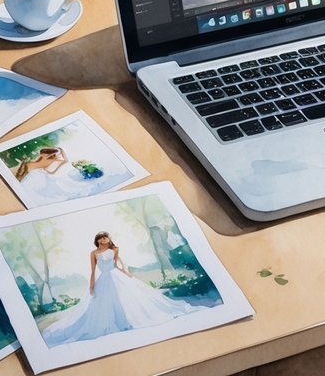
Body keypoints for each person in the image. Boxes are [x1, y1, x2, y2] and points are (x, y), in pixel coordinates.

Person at [40, 231, 199, 345]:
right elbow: (93, 270)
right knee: (104, 302)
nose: (104, 239)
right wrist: (91, 284)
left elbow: (116, 264)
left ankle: (127, 319)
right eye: (101, 237)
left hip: (116, 276)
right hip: (104, 278)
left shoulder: (114, 250)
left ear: (109, 239)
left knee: (125, 298)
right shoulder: (94, 253)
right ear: (98, 241)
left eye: (106, 236)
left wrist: (126, 273)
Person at [13, 146, 105, 203]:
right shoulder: (33, 162)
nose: (56, 155)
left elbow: (64, 161)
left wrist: (59, 150)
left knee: (60, 185)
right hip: (36, 179)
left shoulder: (48, 160)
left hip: (43, 178)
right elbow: (21, 174)